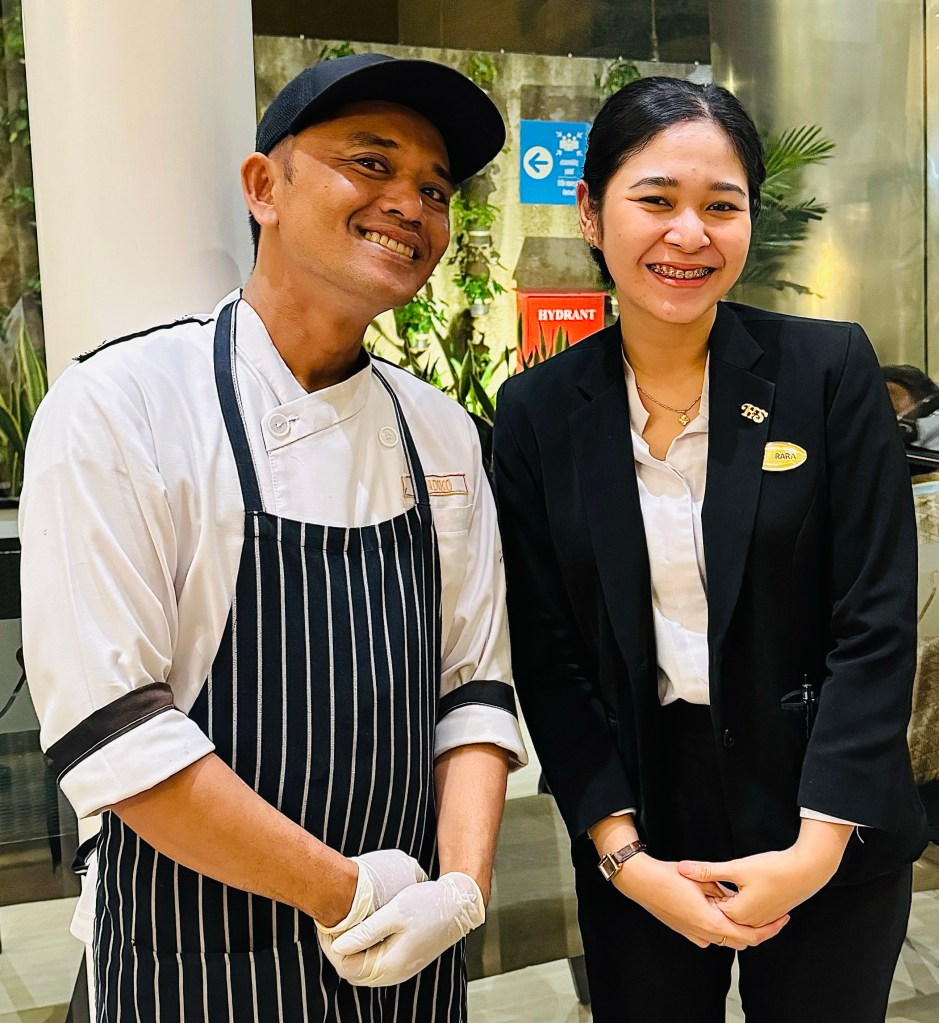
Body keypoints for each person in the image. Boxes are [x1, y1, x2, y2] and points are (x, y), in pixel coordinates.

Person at [21, 53, 527, 1022]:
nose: (410, 205)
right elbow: (116, 735)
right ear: (264, 187)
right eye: (370, 163)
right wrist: (347, 893)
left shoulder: (441, 431)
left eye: (434, 189)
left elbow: (472, 689)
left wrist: (458, 892)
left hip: (410, 942)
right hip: (195, 953)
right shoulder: (121, 407)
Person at [493, 76, 926, 1023]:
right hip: (642, 818)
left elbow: (875, 620)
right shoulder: (535, 412)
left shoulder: (827, 370)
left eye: (720, 206)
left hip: (825, 804)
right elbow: (548, 652)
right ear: (590, 212)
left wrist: (813, 849)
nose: (688, 234)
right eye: (655, 199)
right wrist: (622, 855)